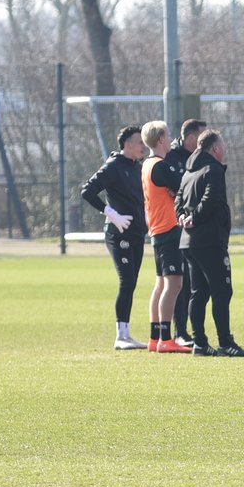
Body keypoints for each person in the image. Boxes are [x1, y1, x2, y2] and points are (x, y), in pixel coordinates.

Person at [175, 130, 244, 357]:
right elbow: (210, 198)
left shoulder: (189, 171)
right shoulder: (213, 169)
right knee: (222, 291)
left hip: (189, 241)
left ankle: (199, 342)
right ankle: (225, 342)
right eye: (223, 145)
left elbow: (178, 198)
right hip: (210, 241)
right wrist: (194, 217)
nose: (225, 149)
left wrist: (182, 216)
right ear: (214, 148)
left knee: (198, 292)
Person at [81, 125, 148, 350]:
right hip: (118, 234)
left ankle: (127, 334)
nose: (142, 146)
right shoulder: (113, 167)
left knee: (132, 283)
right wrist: (111, 213)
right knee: (126, 281)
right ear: (127, 144)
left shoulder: (138, 168)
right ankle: (121, 335)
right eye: (139, 142)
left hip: (137, 233)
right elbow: (87, 191)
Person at [139, 120, 191, 353]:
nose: (171, 139)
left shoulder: (147, 164)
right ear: (160, 139)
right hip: (168, 230)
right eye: (168, 135)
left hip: (158, 229)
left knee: (161, 283)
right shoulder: (160, 165)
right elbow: (183, 189)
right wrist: (177, 193)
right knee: (174, 284)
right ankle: (166, 338)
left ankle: (154, 337)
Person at [163, 118, 207, 348]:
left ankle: (193, 330)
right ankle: (178, 331)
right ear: (191, 138)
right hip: (173, 229)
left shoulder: (202, 158)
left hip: (197, 226)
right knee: (178, 282)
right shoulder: (170, 157)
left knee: (193, 282)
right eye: (201, 137)